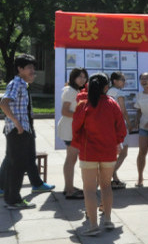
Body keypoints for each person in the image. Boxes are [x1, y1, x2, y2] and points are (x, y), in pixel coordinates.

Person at [72, 73, 127, 235]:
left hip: (88, 151)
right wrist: (117, 142)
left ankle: (93, 226)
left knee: (89, 189)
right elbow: (121, 128)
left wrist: (78, 142)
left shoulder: (84, 104)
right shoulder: (112, 103)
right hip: (108, 152)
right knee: (106, 186)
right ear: (106, 87)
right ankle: (108, 219)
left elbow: (76, 128)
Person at [0, 54, 54, 209]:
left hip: (23, 129)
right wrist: (16, 122)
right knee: (17, 166)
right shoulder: (16, 83)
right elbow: (3, 103)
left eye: (33, 68)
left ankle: (12, 198)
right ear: (20, 69)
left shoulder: (22, 84)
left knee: (18, 163)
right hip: (18, 131)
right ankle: (14, 200)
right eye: (29, 68)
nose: (33, 71)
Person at [58, 68, 87, 199]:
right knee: (71, 158)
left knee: (71, 158)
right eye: (79, 76)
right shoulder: (70, 91)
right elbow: (64, 111)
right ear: (73, 77)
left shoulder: (76, 90)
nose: (82, 79)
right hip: (69, 129)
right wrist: (81, 116)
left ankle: (68, 187)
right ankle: (69, 190)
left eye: (84, 77)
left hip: (73, 128)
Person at [133, 72, 148, 187]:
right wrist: (136, 121)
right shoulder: (139, 95)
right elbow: (138, 110)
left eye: (146, 78)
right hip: (143, 127)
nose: (144, 80)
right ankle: (140, 178)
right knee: (142, 152)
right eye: (142, 78)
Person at [108, 72, 129, 189]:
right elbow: (123, 110)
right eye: (122, 79)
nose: (124, 82)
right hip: (119, 126)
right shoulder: (119, 93)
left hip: (110, 126)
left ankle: (115, 179)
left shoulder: (107, 92)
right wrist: (130, 124)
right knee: (123, 152)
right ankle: (108, 175)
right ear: (115, 81)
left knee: (114, 154)